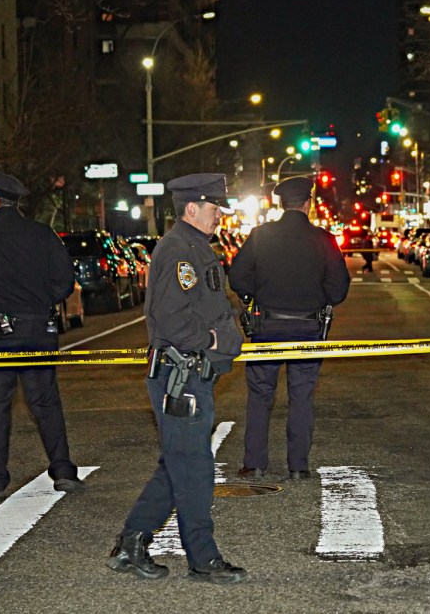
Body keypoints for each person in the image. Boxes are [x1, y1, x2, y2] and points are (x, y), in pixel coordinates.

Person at [106, 173, 246, 584]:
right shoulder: (179, 251)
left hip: (189, 374)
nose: (220, 215)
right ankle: (203, 558)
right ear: (192, 208)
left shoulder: (193, 247)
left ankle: (131, 546)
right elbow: (171, 317)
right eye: (214, 207)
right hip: (180, 374)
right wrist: (212, 338)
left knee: (178, 465)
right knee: (196, 469)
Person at [0, 169, 83, 502]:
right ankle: (63, 471)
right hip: (37, 330)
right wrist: (40, 303)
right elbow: (64, 282)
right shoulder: (43, 234)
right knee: (46, 402)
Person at [228, 175, 350, 482]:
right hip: (308, 326)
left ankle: (254, 463)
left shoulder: (260, 235)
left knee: (259, 395)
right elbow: (339, 288)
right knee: (301, 396)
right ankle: (298, 466)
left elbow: (237, 277)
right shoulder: (323, 239)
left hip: (266, 326)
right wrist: (318, 298)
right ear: (308, 204)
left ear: (281, 204)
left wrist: (253, 295)